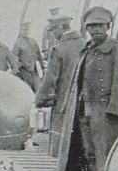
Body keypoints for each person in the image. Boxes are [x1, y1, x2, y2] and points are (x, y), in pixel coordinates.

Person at [58, 6, 118, 171]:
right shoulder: (87, 49)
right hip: (87, 110)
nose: (96, 30)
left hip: (106, 112)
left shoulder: (117, 49)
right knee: (91, 154)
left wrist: (117, 111)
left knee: (104, 155)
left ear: (108, 26)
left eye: (100, 26)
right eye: (91, 26)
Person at [35, 14, 85, 158]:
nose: (52, 34)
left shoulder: (59, 49)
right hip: (84, 101)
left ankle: (60, 167)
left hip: (64, 100)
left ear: (60, 28)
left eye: (52, 30)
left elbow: (49, 79)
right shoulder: (85, 44)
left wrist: (38, 100)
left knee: (61, 131)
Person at [12, 22, 45, 91]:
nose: (25, 32)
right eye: (23, 30)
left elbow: (39, 55)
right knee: (27, 89)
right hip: (24, 70)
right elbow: (13, 57)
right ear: (20, 31)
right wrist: (16, 67)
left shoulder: (33, 41)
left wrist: (43, 67)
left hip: (34, 70)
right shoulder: (18, 43)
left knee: (38, 88)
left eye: (27, 30)